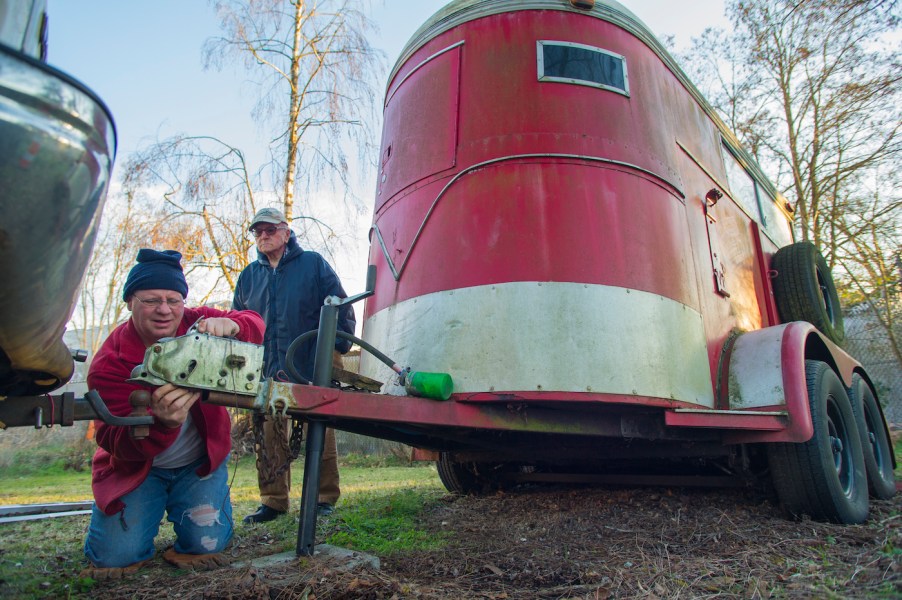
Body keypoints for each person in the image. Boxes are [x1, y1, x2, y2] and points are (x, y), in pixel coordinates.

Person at [83, 249, 265, 578]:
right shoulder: (108, 363)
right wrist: (160, 425)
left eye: (173, 299)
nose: (164, 310)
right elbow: (113, 439)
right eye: (151, 300)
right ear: (130, 302)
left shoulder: (197, 323)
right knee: (114, 558)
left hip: (197, 465)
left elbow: (255, 323)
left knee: (206, 545)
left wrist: (232, 325)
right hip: (137, 470)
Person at [233, 207, 355, 523]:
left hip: (310, 360)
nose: (263, 235)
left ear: (286, 233)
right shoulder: (248, 277)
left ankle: (323, 497)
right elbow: (239, 322)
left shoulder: (312, 264)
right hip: (266, 364)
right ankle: (273, 502)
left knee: (319, 429)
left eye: (270, 230)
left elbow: (339, 304)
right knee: (269, 431)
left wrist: (338, 347)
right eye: (257, 231)